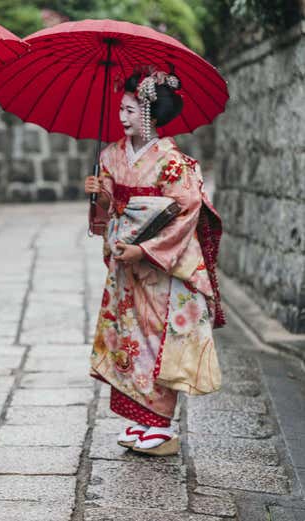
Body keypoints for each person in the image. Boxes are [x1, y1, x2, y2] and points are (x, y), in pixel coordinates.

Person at [84, 68, 224, 456]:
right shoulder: (111, 154)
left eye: (130, 110)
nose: (122, 116)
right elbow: (110, 209)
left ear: (149, 114)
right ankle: (140, 419)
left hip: (158, 263)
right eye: (121, 109)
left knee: (158, 336)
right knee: (128, 334)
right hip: (125, 262)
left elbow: (186, 211)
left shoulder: (173, 162)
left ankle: (160, 424)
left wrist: (145, 250)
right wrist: (99, 195)